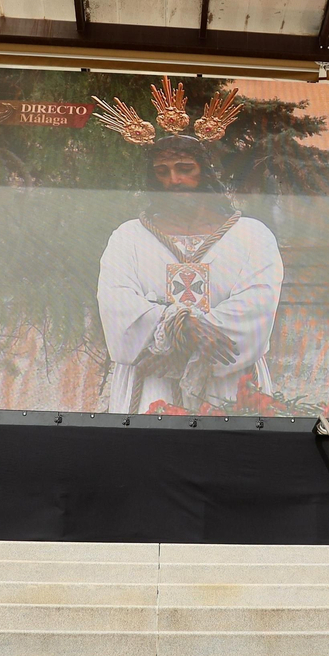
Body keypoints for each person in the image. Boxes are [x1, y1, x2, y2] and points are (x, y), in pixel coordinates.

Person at [93, 83, 283, 415]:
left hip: (226, 378)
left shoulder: (252, 235)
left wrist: (196, 331)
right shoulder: (129, 237)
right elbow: (116, 304)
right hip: (153, 381)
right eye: (162, 172)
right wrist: (180, 326)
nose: (174, 180)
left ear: (206, 173)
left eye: (185, 169)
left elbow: (258, 304)